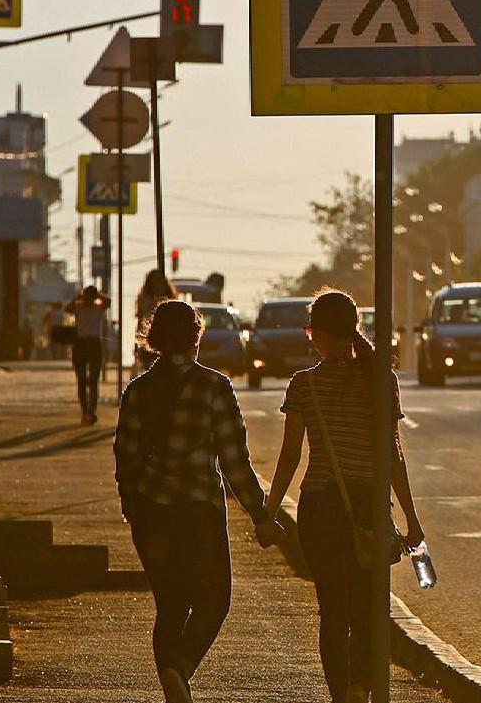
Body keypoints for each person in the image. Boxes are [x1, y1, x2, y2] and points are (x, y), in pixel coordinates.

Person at [114, 299, 280, 703]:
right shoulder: (214, 387)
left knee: (170, 605)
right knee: (214, 600)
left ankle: (174, 678)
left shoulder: (138, 391)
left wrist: (132, 507)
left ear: (153, 341)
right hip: (199, 512)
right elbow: (235, 461)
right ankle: (180, 668)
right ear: (196, 339)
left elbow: (125, 457)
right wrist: (261, 514)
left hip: (151, 515)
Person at [265, 291, 424, 703]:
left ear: (316, 334)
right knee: (370, 609)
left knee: (332, 611)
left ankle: (341, 696)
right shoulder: (380, 381)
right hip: (368, 507)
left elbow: (289, 457)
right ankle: (361, 689)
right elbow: (393, 457)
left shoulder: (303, 385)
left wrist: (269, 511)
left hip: (319, 509)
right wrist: (411, 518)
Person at [64, 285, 110, 424]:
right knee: (82, 379)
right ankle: (86, 410)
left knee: (94, 379)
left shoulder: (98, 308)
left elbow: (108, 301)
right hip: (81, 343)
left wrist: (96, 295)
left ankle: (91, 410)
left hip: (93, 343)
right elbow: (67, 308)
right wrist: (80, 297)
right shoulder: (78, 308)